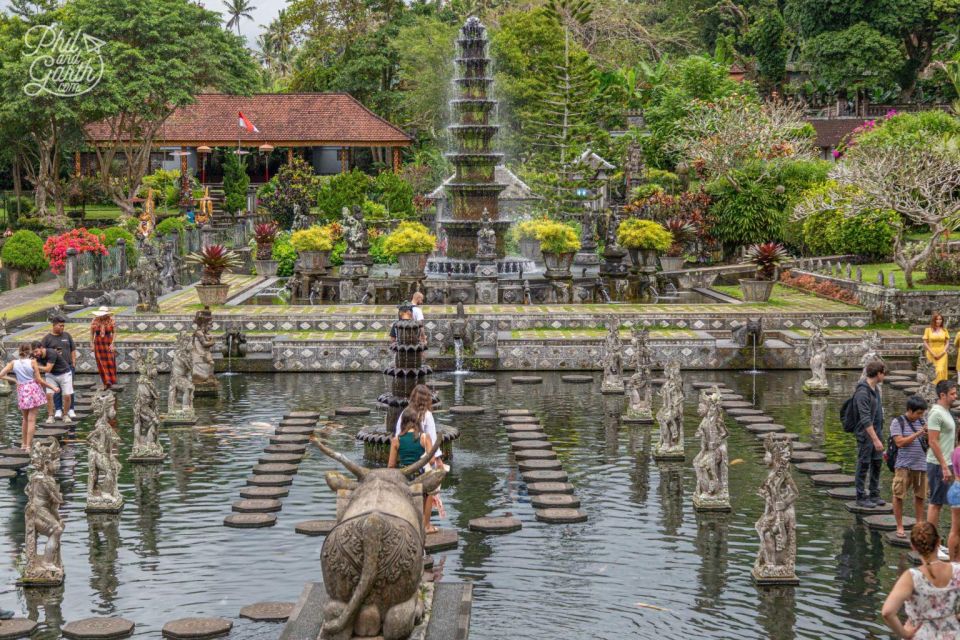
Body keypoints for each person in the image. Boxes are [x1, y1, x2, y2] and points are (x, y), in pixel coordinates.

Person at [882, 521, 960, 639]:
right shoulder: (957, 570)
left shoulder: (912, 577)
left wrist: (906, 634)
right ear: (938, 541)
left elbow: (887, 612)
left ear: (913, 546)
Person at [394, 384, 443, 533]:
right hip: (423, 464)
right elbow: (433, 440)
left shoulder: (404, 413)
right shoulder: (427, 415)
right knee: (429, 492)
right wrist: (439, 460)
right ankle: (426, 525)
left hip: (406, 465)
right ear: (427, 399)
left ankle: (410, 522)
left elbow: (397, 434)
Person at [388, 407, 436, 533]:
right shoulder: (424, 437)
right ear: (418, 421)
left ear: (403, 422)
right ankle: (426, 526)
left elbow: (391, 465)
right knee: (430, 492)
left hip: (405, 478)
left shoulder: (396, 440)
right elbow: (432, 461)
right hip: (420, 477)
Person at [0, 344, 57, 451]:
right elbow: (39, 380)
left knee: (25, 419)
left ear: (19, 351)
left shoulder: (13, 363)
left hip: (22, 390)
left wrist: (15, 380)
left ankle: (23, 444)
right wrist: (53, 387)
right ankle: (28, 446)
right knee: (32, 420)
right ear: (30, 351)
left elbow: (1, 374)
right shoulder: (32, 362)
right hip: (33, 390)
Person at [926, 379, 959, 558]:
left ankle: (937, 543)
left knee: (941, 503)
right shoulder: (936, 413)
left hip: (947, 463)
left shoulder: (946, 412)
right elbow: (932, 441)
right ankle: (932, 546)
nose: (956, 396)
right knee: (935, 503)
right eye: (952, 394)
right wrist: (945, 466)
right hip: (938, 464)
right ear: (942, 395)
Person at [891, 395, 929, 538]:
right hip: (903, 465)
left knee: (920, 496)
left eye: (922, 413)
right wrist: (919, 433)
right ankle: (899, 526)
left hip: (921, 465)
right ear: (909, 410)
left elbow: (928, 443)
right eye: (918, 413)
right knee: (898, 495)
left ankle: (919, 525)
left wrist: (927, 435)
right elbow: (899, 442)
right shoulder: (898, 422)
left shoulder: (922, 421)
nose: (920, 416)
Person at [854, 361, 887, 508]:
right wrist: (875, 439)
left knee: (877, 462)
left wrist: (879, 436)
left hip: (877, 432)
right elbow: (865, 418)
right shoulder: (862, 391)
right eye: (883, 373)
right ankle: (861, 495)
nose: (884, 376)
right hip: (866, 435)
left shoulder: (876, 389)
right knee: (864, 463)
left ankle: (874, 493)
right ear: (878, 374)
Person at [41, 315, 77, 420]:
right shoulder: (47, 339)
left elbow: (73, 349)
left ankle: (71, 409)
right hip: (54, 369)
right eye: (60, 326)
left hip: (68, 367)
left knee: (69, 389)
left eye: (63, 326)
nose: (62, 328)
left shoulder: (67, 335)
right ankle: (58, 409)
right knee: (56, 389)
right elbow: (42, 352)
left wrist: (74, 362)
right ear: (54, 325)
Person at [32, 340, 73, 425]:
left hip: (64, 373)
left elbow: (47, 369)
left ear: (41, 348)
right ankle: (50, 416)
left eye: (36, 351)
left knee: (67, 395)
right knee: (49, 395)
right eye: (34, 352)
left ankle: (65, 415)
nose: (36, 354)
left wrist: (36, 366)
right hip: (51, 375)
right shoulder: (35, 355)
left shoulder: (51, 353)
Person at [90, 306, 116, 390]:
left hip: (108, 342)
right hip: (98, 343)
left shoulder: (111, 320)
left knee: (110, 362)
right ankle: (106, 382)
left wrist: (112, 343)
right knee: (101, 363)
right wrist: (91, 344)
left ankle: (110, 380)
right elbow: (91, 333)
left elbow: (114, 332)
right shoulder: (94, 321)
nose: (102, 316)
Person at [923, 313, 950, 383]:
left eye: (940, 319)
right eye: (937, 319)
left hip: (942, 353)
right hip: (931, 353)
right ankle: (932, 388)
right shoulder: (928, 330)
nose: (938, 321)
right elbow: (925, 342)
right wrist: (933, 354)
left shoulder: (944, 330)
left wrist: (943, 352)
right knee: (933, 371)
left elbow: (947, 342)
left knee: (940, 370)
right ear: (934, 320)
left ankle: (940, 388)